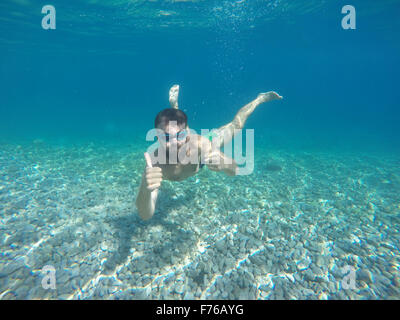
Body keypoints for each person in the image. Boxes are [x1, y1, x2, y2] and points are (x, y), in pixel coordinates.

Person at [136, 84, 282, 220]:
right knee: (180, 133)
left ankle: (259, 99)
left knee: (236, 125)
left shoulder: (201, 145)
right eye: (167, 137)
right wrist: (145, 187)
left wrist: (224, 164)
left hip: (207, 141)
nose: (174, 143)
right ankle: (175, 108)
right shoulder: (155, 163)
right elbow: (145, 215)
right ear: (156, 137)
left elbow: (235, 169)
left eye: (180, 135)